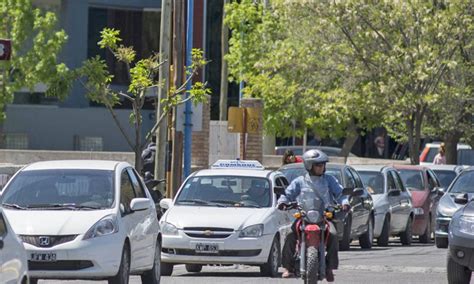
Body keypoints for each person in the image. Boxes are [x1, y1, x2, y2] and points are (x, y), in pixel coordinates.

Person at [277, 149, 349, 282]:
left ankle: (329, 267)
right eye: (318, 164)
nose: (321, 167)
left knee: (333, 235)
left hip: (323, 216)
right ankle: (288, 267)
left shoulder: (329, 180)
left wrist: (344, 203)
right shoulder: (299, 181)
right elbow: (287, 194)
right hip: (304, 216)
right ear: (309, 166)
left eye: (322, 164)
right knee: (290, 236)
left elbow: (340, 194)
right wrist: (282, 202)